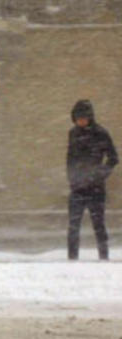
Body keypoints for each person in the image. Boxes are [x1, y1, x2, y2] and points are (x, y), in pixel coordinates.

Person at [67, 99, 118, 260]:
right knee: (73, 226)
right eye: (77, 118)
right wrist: (72, 177)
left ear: (90, 117)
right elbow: (70, 158)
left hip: (95, 188)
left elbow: (113, 158)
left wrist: (99, 175)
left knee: (99, 225)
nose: (80, 121)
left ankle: (104, 257)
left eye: (83, 117)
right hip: (77, 188)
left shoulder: (101, 133)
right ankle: (72, 257)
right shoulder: (73, 133)